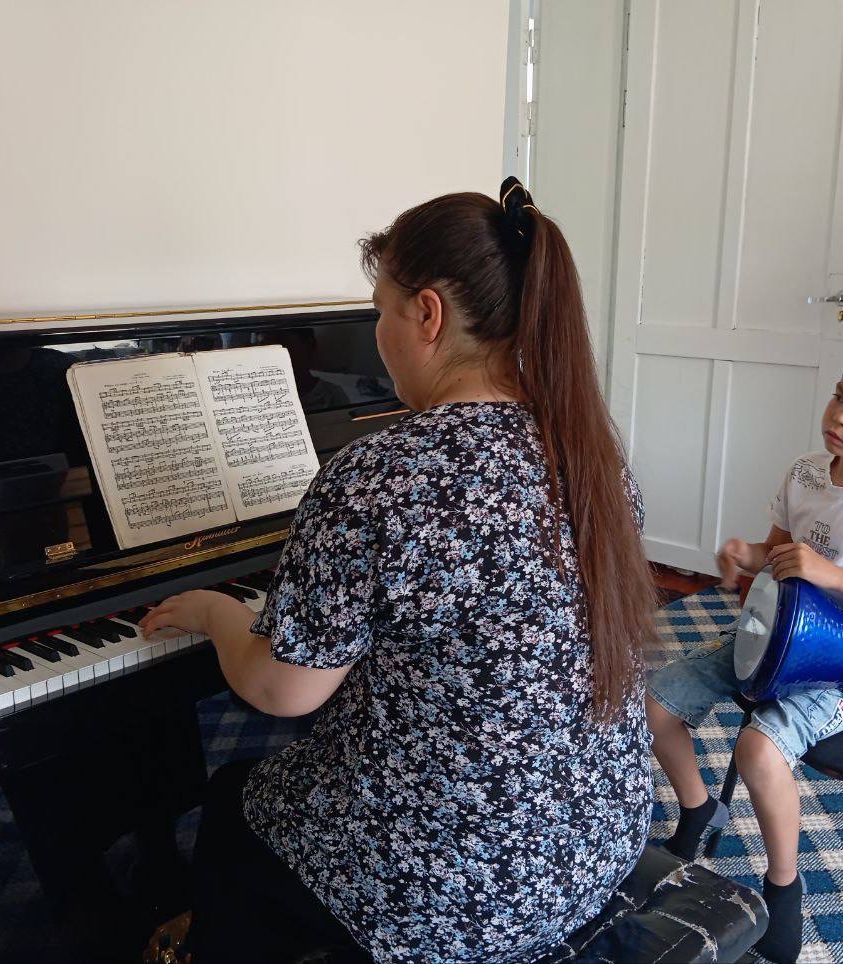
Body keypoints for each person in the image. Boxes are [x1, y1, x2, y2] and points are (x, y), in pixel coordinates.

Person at [140, 178, 657, 964]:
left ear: (427, 315)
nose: (377, 332)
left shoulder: (381, 474)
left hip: (458, 895)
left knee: (235, 800)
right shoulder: (593, 458)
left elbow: (283, 691)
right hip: (593, 841)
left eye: (379, 309)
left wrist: (216, 611)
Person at [645, 339, 843, 962]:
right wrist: (748, 556)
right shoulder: (806, 472)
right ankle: (699, 810)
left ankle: (783, 886)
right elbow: (776, 553)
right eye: (839, 396)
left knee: (757, 750)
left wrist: (835, 577)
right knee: (654, 704)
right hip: (772, 640)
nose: (838, 415)